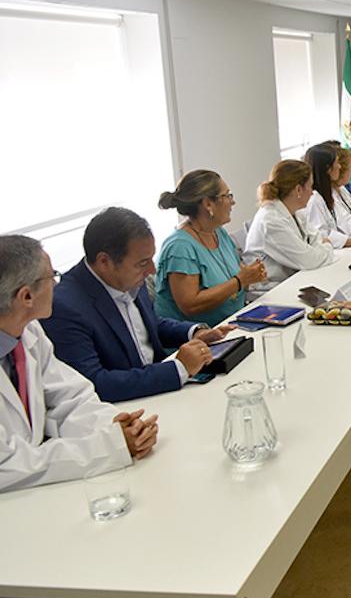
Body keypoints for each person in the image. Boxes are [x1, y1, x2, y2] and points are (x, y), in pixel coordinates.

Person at [0, 235, 159, 492]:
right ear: (26, 296)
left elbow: (70, 398)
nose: (56, 282)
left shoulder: (29, 333)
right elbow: (7, 465)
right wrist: (111, 446)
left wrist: (117, 425)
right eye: (50, 276)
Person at [42, 208, 237, 403]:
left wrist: (193, 332)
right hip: (128, 407)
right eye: (143, 262)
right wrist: (178, 368)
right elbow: (93, 383)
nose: (151, 270)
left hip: (162, 391)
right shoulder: (64, 307)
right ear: (104, 262)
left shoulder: (129, 276)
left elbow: (148, 326)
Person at [156, 169, 268, 328]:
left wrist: (251, 276)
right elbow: (190, 305)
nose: (232, 202)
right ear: (208, 203)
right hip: (199, 342)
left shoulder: (218, 232)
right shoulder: (179, 247)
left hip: (233, 325)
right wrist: (241, 280)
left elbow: (233, 280)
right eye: (227, 196)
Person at [244, 160, 337, 291]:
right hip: (273, 291)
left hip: (296, 279)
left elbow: (315, 237)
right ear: (298, 189)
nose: (312, 192)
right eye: (310, 186)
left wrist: (316, 249)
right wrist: (327, 246)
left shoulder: (294, 211)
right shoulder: (271, 221)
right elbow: (309, 260)